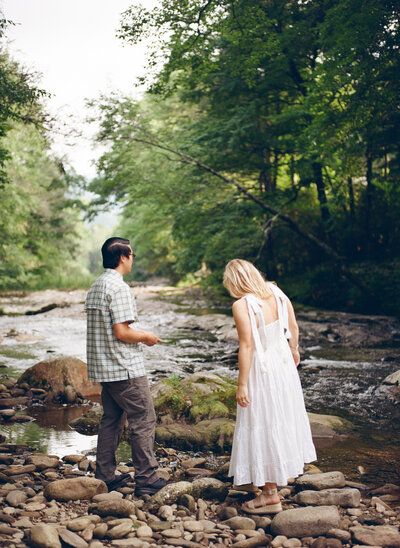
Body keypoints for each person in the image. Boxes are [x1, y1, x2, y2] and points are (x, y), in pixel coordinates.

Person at [223, 259, 316, 514]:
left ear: (235, 281)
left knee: (263, 422)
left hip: (261, 370)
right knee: (280, 420)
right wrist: (294, 350)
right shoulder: (277, 292)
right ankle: (271, 483)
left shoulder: (242, 305)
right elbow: (293, 327)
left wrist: (242, 384)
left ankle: (270, 494)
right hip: (283, 365)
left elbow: (247, 346)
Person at [85, 236, 167, 495]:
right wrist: (146, 336)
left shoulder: (96, 285)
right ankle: (147, 479)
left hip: (104, 368)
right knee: (143, 418)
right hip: (124, 368)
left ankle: (105, 476)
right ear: (122, 257)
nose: (133, 259)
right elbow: (122, 332)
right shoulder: (119, 288)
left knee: (111, 420)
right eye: (132, 255)